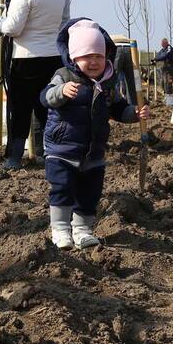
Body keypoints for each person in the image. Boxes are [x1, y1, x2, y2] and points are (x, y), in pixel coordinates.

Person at [40, 19, 148, 249]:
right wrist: (60, 92)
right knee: (62, 188)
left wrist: (134, 113)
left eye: (98, 56)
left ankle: (82, 230)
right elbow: (45, 97)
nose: (93, 62)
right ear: (73, 58)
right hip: (62, 149)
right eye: (87, 56)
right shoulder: (64, 77)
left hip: (93, 151)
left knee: (90, 193)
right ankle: (60, 230)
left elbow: (117, 108)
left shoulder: (107, 83)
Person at [0, 0, 66, 169]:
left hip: (25, 60)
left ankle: (14, 158)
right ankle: (49, 154)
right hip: (52, 57)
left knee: (20, 110)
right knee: (46, 108)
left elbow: (13, 28)